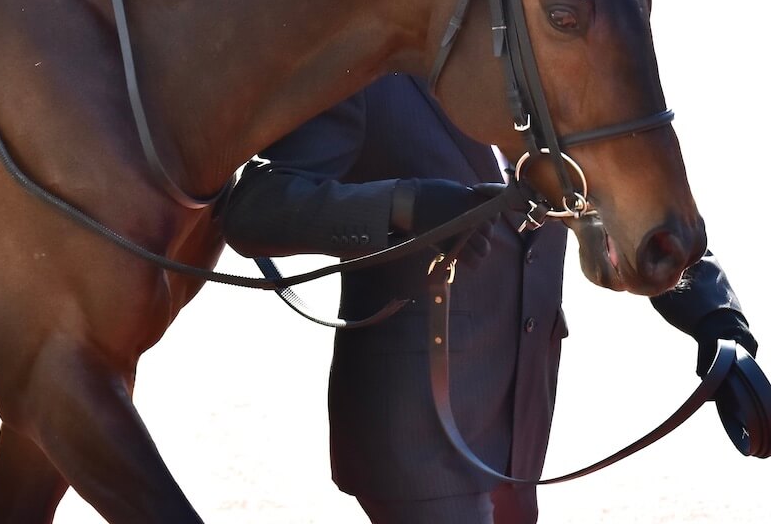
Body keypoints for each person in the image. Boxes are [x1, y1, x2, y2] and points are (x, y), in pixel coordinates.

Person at [222, 73, 758, 524]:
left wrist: (717, 325)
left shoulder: (553, 63)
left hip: (521, 428)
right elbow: (255, 206)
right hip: (412, 434)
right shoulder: (366, 64)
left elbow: (639, 209)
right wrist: (402, 205)